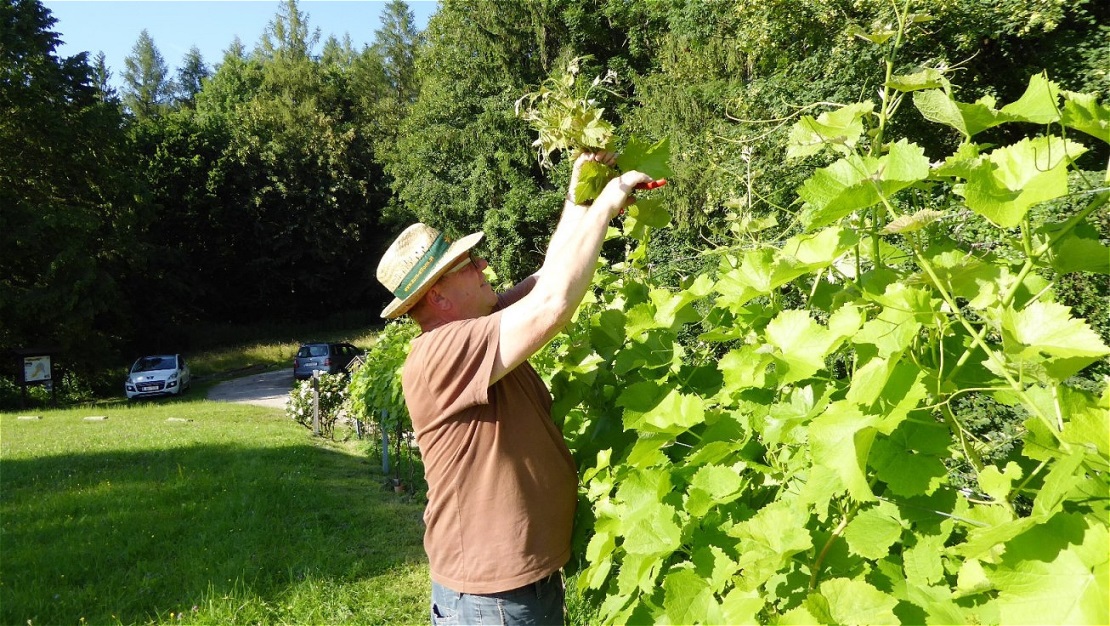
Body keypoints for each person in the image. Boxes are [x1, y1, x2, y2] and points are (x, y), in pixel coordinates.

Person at [375, 152, 653, 625]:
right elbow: (553, 305)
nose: (482, 264)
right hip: (493, 598)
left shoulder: (482, 326)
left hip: (521, 585)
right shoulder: (439, 355)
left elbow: (550, 274)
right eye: (466, 264)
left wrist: (579, 194)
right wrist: (607, 204)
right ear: (437, 297)